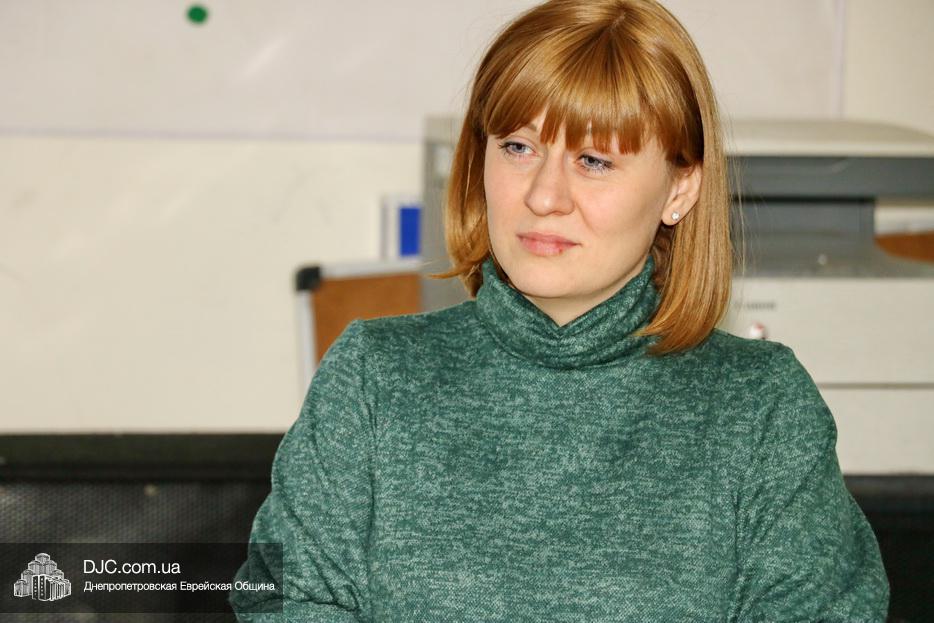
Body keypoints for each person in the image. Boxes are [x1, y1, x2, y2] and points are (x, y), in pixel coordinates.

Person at [229, 0, 891, 621]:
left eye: (594, 160)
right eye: (518, 147)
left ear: (680, 188)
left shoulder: (762, 407)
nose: (544, 195)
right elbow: (284, 598)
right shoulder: (373, 376)